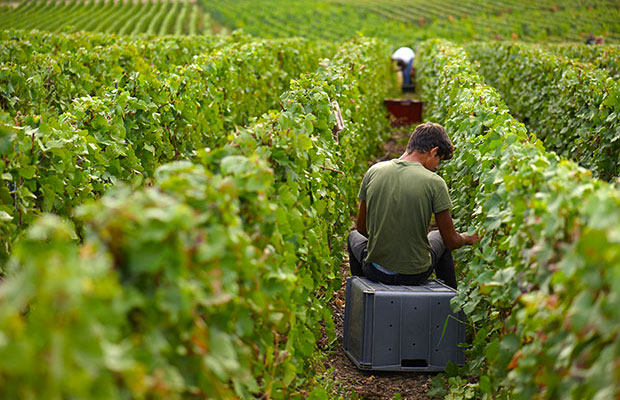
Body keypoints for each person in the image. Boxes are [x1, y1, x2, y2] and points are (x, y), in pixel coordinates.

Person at [347, 122, 480, 289]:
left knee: (353, 237)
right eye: (438, 159)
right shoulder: (434, 182)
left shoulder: (374, 171)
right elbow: (451, 241)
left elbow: (361, 229)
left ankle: (363, 290)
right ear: (433, 151)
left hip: (375, 272)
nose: (437, 167)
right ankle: (450, 300)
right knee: (439, 235)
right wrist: (468, 238)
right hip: (416, 274)